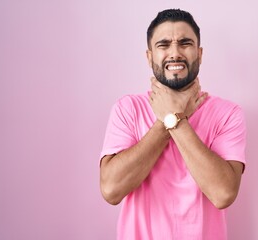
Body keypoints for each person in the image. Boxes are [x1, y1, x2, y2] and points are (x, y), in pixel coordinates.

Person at [99, 9, 246, 240]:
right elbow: (111, 190)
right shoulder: (127, 109)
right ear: (149, 56)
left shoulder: (228, 114)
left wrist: (175, 119)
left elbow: (223, 193)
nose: (175, 53)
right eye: (164, 44)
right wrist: (166, 120)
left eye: (185, 43)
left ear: (199, 53)